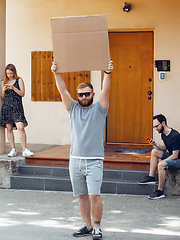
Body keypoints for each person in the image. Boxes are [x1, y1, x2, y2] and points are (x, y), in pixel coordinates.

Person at [51, 61, 113, 240]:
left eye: (87, 94)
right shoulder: (73, 109)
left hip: (94, 160)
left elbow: (106, 91)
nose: (83, 97)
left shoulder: (100, 108)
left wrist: (107, 73)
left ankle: (97, 227)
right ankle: (87, 225)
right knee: (81, 196)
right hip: (75, 160)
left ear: (92, 94)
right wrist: (56, 73)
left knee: (94, 195)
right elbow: (63, 90)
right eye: (81, 94)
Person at [137, 114, 180, 200]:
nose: (155, 129)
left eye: (156, 126)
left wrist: (163, 161)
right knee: (154, 151)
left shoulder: (175, 135)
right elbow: (164, 148)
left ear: (163, 123)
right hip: (174, 156)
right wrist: (156, 145)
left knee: (161, 165)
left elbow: (175, 155)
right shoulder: (163, 133)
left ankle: (160, 191)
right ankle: (151, 177)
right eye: (154, 127)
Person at [0, 63, 34, 157]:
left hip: (17, 107)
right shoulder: (3, 82)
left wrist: (13, 88)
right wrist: (3, 90)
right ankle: (13, 149)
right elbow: (2, 97)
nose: (9, 75)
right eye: (7, 73)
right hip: (7, 107)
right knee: (9, 129)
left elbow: (22, 94)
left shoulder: (19, 80)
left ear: (14, 72)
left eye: (11, 73)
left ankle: (24, 149)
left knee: (20, 127)